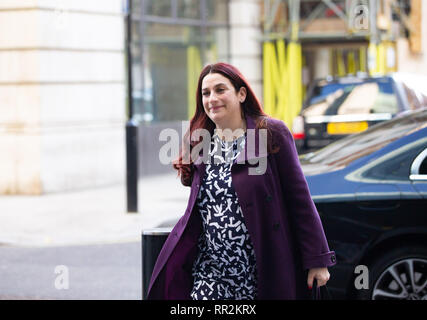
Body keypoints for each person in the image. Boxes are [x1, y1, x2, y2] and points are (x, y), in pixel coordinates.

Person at [147, 62, 336, 300]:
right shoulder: (200, 141)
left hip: (261, 270)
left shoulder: (269, 133)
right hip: (211, 272)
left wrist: (317, 259)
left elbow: (299, 199)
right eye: (206, 93)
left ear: (241, 93)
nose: (212, 98)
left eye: (220, 89)